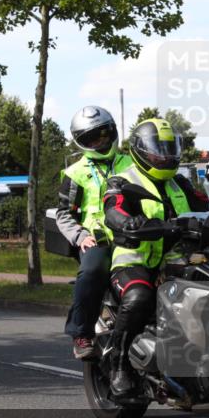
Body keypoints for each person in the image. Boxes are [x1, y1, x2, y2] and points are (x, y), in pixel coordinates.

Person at [102, 118, 208, 395]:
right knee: (139, 297)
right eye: (156, 148)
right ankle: (119, 363)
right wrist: (126, 223)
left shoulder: (180, 183)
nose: (163, 155)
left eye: (168, 148)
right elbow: (113, 209)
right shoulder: (122, 181)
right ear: (139, 149)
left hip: (176, 262)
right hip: (134, 262)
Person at [56, 106, 133, 360]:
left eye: (103, 134)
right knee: (90, 272)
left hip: (134, 233)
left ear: (112, 132)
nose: (99, 142)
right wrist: (80, 236)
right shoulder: (74, 173)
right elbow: (64, 214)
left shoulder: (132, 164)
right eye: (91, 138)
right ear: (81, 142)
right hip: (97, 238)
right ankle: (81, 333)